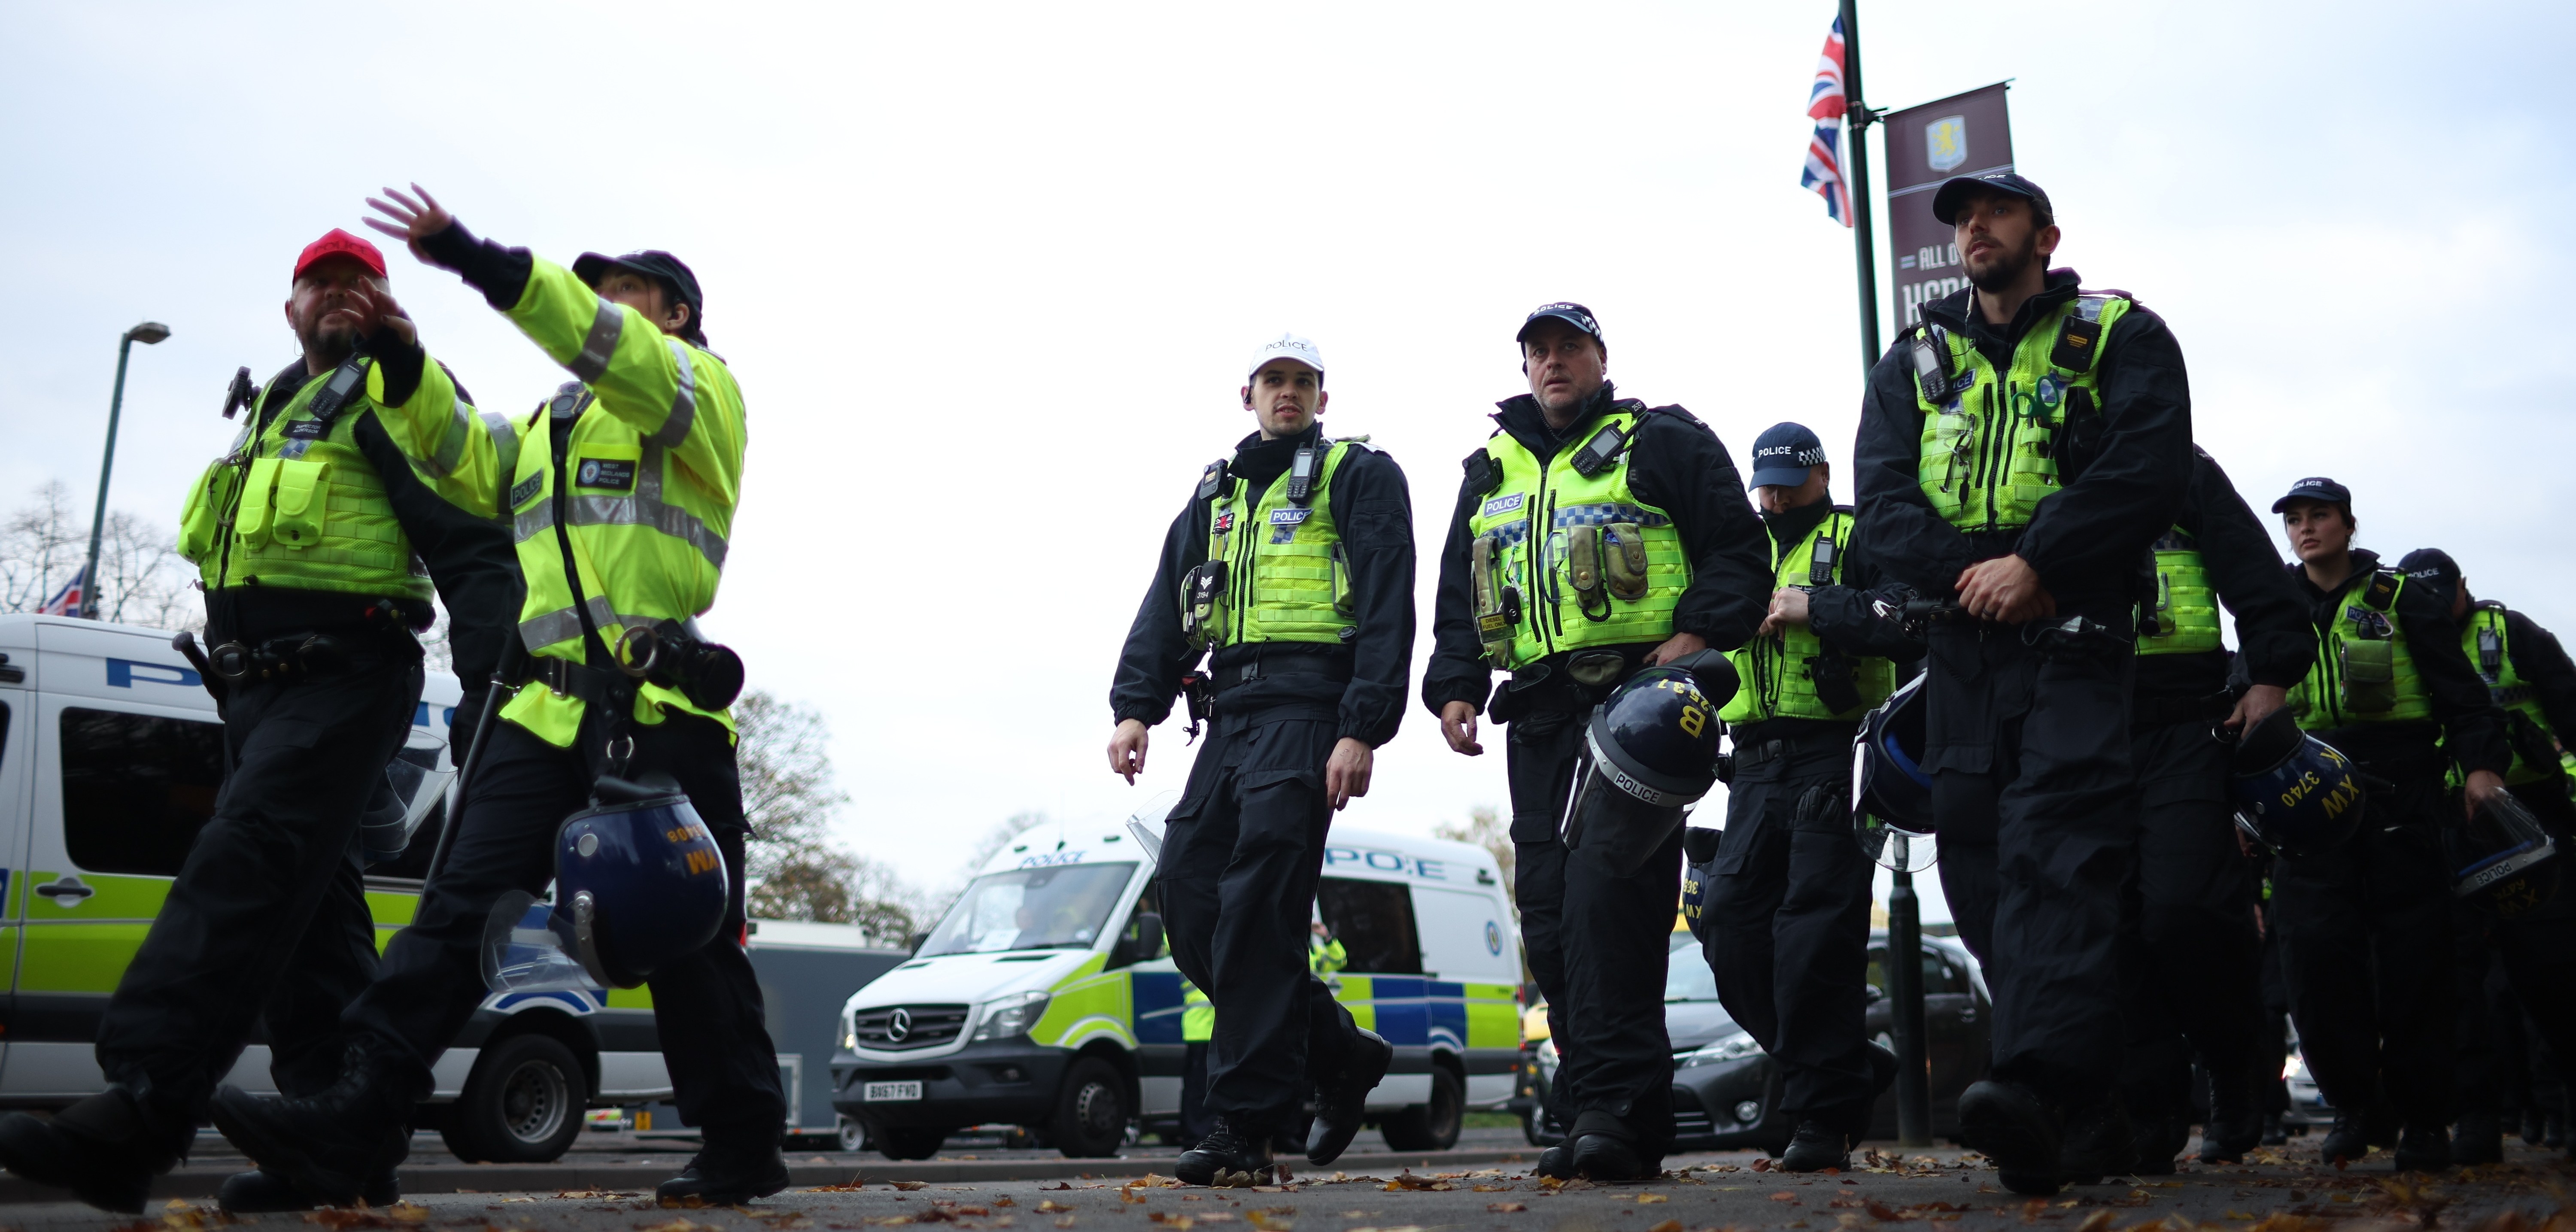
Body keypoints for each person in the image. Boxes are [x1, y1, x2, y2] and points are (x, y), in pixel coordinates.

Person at [209, 186, 790, 1207]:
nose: (600, 304)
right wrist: (399, 359)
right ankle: (356, 1118)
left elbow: (606, 345)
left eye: (621, 293)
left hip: (658, 710)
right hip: (541, 710)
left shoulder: (698, 392)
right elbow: (459, 456)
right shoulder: (550, 427)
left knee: (687, 938)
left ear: (675, 314)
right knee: (454, 916)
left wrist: (479, 260)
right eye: (596, 291)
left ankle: (743, 1139)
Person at [0, 230, 514, 1214]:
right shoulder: (277, 408)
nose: (340, 296)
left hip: (347, 675)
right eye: (321, 283)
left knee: (244, 859)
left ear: (385, 304)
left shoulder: (395, 395)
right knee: (313, 919)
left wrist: (489, 689)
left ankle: (141, 1108)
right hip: (253, 692)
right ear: (290, 307)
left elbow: (472, 546)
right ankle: (341, 1144)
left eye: (360, 283)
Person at [1851, 172, 2195, 1195]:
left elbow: (2147, 467)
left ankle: (2036, 1084)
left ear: (2044, 235)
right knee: (1986, 868)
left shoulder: (2121, 334)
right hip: (1963, 646)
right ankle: (2102, 1106)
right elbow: (1883, 502)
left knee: (2060, 848)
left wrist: (2038, 561)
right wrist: (1977, 573)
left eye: (1994, 214)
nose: (1973, 230)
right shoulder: (1913, 360)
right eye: (1960, 219)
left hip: (2076, 636)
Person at [1422, 303, 1768, 1180]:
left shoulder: (1663, 443)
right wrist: (1457, 683)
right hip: (1535, 718)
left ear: (1599, 358)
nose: (1552, 362)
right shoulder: (1487, 468)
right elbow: (1460, 598)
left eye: (1568, 347)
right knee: (1546, 917)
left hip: (1636, 710)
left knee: (1609, 909)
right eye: (1538, 350)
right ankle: (1613, 1109)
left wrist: (1694, 637)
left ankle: (1613, 1113)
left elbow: (1739, 553)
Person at [1106, 333, 1411, 1185]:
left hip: (1311, 712)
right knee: (1190, 896)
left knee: (1258, 912)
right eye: (1274, 381)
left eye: (1303, 382)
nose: (1289, 394)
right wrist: (1137, 706)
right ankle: (1340, 1051)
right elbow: (1166, 603)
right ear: (1247, 393)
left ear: (1323, 396)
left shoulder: (1359, 475)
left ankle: (1246, 1127)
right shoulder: (1217, 490)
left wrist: (1363, 726)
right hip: (1230, 717)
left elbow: (1389, 601)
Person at [1690, 421, 1917, 1172]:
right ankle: (1847, 1064)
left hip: (1837, 754)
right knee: (1726, 921)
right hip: (1751, 764)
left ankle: (1821, 1119)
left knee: (1813, 941)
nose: (1776, 492)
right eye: (1767, 479)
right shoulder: (1739, 545)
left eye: (1791, 477)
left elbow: (1904, 618)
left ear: (1821, 473)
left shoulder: (1859, 534)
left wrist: (1814, 608)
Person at [2270, 479, 2506, 1172]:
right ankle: (2354, 1104)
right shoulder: (2272, 604)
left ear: (2348, 525)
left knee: (2414, 968)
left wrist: (2481, 770)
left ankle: (2426, 1121)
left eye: (2320, 517)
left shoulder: (2404, 599)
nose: (2307, 529)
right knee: (2313, 962)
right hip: (2307, 799)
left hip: (2400, 796)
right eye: (2296, 520)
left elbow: (2464, 698)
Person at [2114, 447, 2310, 1172]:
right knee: (2113, 924)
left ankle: (2236, 1065)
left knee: (2186, 910)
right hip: (2079, 728)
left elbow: (2259, 581)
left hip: (2185, 726)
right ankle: (2150, 1107)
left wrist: (2268, 675)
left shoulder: (2183, 471)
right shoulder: (2036, 459)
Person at [2393, 547, 2576, 1164]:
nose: (2438, 611)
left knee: (2551, 967)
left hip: (2524, 817)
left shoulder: (2516, 633)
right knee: (2458, 973)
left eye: (2445, 597)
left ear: (2464, 589)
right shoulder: (2398, 638)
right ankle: (2476, 1115)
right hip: (2443, 823)